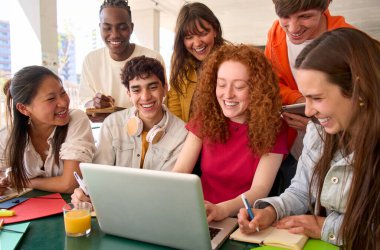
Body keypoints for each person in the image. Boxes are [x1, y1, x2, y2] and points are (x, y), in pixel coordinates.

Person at [238, 28, 380, 249]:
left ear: (358, 90)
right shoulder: (318, 131)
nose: (309, 111)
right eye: (306, 98)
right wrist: (271, 211)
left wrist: (325, 227)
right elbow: (300, 191)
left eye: (317, 98)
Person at [172, 44, 288, 223]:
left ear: (257, 89)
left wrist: (221, 209)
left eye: (239, 87)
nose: (227, 94)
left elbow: (260, 189)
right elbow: (180, 171)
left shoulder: (274, 127)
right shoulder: (205, 117)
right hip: (198, 213)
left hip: (239, 219)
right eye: (221, 84)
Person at [72, 56, 188, 204]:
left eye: (153, 87)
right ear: (128, 93)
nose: (145, 97)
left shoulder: (182, 134)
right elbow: (98, 178)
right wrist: (85, 193)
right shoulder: (112, 124)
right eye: (136, 89)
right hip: (114, 206)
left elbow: (168, 190)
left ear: (165, 88)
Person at [266, 0, 354, 162]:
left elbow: (365, 109)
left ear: (326, 4)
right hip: (295, 149)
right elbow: (270, 82)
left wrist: (317, 127)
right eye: (284, 16)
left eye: (305, 16)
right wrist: (299, 100)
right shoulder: (276, 32)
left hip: (344, 152)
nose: (292, 29)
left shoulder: (351, 44)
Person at [0, 66, 96, 194]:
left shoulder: (76, 119)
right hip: (27, 209)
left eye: (63, 93)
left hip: (72, 208)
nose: (63, 103)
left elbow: (69, 184)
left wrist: (22, 181)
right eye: (51, 99)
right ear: (24, 109)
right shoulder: (7, 135)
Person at [79, 0, 164, 122]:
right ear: (100, 28)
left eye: (122, 27)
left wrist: (116, 116)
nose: (114, 35)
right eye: (107, 28)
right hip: (108, 133)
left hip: (146, 133)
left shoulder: (152, 58)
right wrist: (95, 104)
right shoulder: (91, 60)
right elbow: (85, 102)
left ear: (131, 28)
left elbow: (161, 103)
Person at [167, 2, 228, 122]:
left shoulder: (230, 62)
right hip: (187, 136)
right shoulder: (179, 62)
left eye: (203, 34)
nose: (197, 43)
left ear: (215, 30)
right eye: (189, 37)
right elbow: (175, 107)